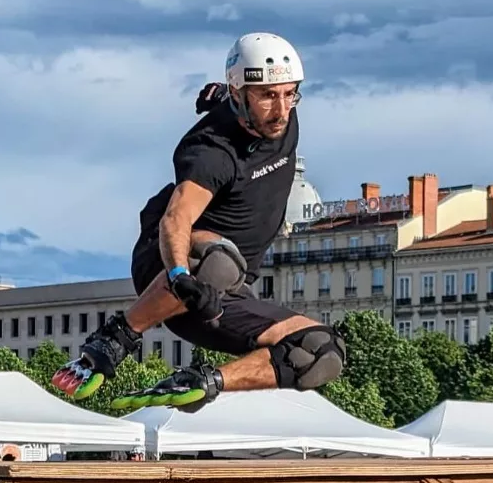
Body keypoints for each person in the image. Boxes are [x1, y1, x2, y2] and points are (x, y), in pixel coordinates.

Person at [52, 32, 345, 412]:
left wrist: (222, 94)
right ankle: (115, 339)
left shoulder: (274, 111)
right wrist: (178, 275)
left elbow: (253, 85)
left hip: (227, 294)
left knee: (321, 353)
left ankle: (204, 381)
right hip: (171, 266)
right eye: (268, 96)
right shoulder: (211, 151)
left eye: (290, 94)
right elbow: (176, 219)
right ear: (240, 94)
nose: (281, 110)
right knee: (219, 262)